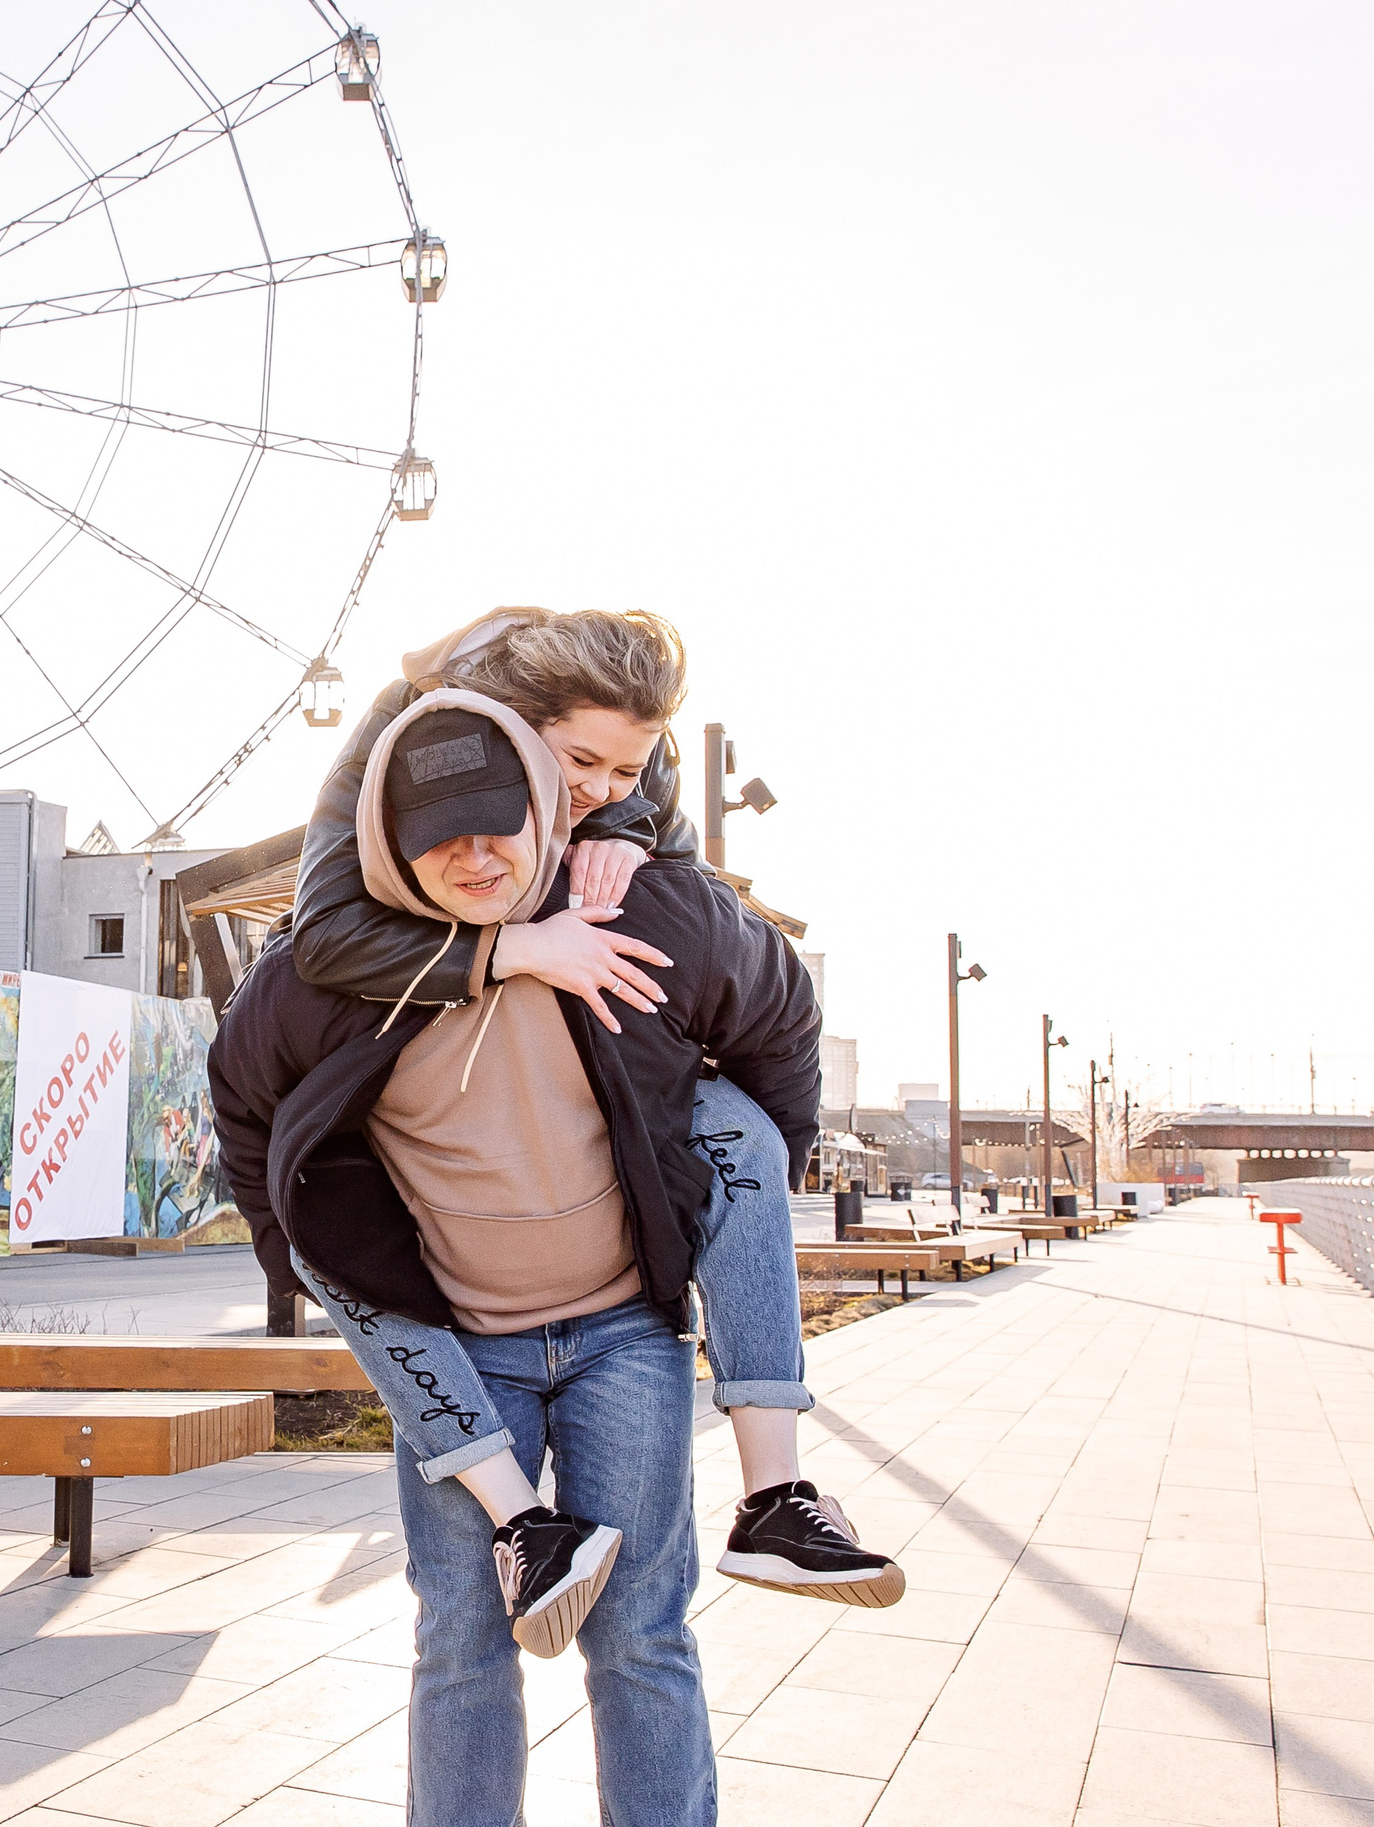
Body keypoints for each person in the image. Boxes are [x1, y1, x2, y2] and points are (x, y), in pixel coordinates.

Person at [212, 693, 889, 1827]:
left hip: (624, 1332)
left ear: (544, 809)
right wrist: (298, 1260)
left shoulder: (644, 906)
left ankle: (775, 1501)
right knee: (463, 1637)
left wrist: (739, 1190)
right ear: (388, 843)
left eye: (499, 825)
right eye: (441, 838)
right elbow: (242, 1105)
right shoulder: (323, 972)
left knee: (641, 1633)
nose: (478, 858)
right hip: (464, 1347)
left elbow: (780, 1015)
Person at [259, 607, 903, 1608]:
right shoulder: (399, 738)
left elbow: (718, 932)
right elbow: (327, 931)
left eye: (627, 768)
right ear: (517, 728)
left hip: (617, 1290)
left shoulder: (639, 775)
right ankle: (520, 1521)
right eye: (582, 764)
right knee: (330, 1231)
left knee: (740, 1134)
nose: (604, 784)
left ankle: (775, 1496)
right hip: (458, 1247)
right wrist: (516, 948)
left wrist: (626, 830)